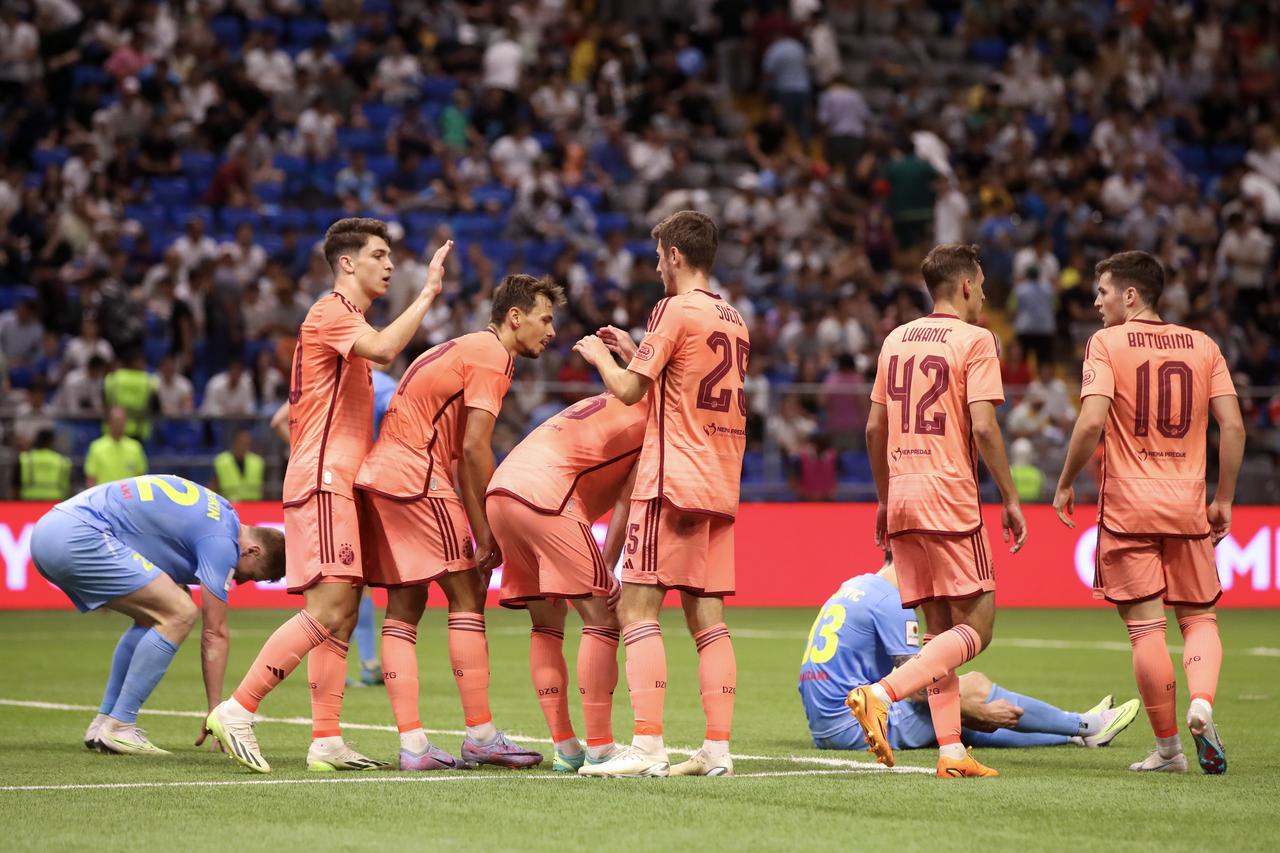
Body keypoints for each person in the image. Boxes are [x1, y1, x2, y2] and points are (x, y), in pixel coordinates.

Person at [205, 218, 449, 775]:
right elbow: (388, 349)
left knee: (343, 616)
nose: (389, 265)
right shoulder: (330, 313)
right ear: (347, 263)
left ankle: (326, 738)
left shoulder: (347, 321)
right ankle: (239, 708)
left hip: (337, 480)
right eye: (379, 255)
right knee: (331, 608)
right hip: (324, 481)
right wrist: (429, 292)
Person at [354, 274, 563, 771]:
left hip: (382, 474)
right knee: (467, 595)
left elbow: (459, 450)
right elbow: (472, 449)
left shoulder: (462, 347)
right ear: (516, 316)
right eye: (546, 319)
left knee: (404, 604)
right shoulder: (494, 356)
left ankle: (413, 746)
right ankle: (481, 735)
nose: (551, 331)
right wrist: (486, 530)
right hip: (417, 475)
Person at [1052, 251, 1244, 775]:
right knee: (1200, 617)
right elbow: (1232, 427)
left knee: (1145, 630)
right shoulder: (1204, 346)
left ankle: (1168, 752)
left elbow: (1091, 422)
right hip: (1187, 507)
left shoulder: (1107, 343)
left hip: (1128, 508)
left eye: (1103, 292)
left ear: (1130, 296)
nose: (1096, 303)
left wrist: (1066, 481)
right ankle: (1201, 702)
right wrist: (1223, 498)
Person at [573, 210, 748, 778]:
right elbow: (680, 382)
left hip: (671, 481)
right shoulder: (733, 318)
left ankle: (647, 745)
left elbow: (629, 393)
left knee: (637, 606)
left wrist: (601, 356)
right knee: (709, 619)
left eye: (657, 256)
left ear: (675, 253)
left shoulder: (672, 309)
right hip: (721, 482)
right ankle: (717, 750)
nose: (655, 266)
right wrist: (636, 348)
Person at [847, 243, 1028, 779]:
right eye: (984, 285)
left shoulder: (895, 339)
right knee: (978, 626)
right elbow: (985, 427)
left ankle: (950, 750)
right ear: (968, 285)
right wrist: (1011, 498)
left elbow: (874, 428)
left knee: (937, 630)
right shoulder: (976, 340)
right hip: (949, 493)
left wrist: (883, 497)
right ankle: (881, 693)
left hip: (901, 491)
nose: (986, 295)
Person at [29, 474, 285, 754]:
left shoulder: (223, 511)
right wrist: (216, 711)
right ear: (253, 550)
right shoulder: (222, 542)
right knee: (181, 611)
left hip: (51, 529)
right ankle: (121, 726)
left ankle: (104, 722)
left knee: (160, 611)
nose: (240, 581)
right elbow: (215, 632)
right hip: (79, 535)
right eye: (251, 575)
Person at [800, 552, 1140, 752]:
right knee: (970, 686)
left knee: (955, 706)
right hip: (857, 728)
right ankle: (1088, 725)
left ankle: (1071, 733)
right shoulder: (893, 602)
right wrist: (978, 709)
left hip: (827, 724)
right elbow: (918, 690)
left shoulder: (855, 586)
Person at [487, 392, 647, 772]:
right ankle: (601, 748)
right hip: (549, 497)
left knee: (545, 624)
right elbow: (627, 501)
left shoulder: (613, 397)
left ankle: (566, 746)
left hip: (500, 491)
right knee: (603, 618)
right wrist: (607, 566)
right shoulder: (657, 422)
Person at [268, 368, 399, 689]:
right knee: (352, 583)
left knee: (336, 583)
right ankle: (363, 663)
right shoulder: (381, 385)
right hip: (356, 482)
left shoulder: (324, 381)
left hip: (318, 482)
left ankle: (348, 668)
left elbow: (277, 421)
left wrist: (311, 454)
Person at [85, 406, 148, 486]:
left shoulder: (135, 447)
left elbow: (140, 477)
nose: (119, 424)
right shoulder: (96, 447)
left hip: (128, 496)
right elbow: (91, 479)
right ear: (109, 422)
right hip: (104, 497)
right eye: (117, 420)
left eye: (122, 420)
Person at [17, 428, 71, 500]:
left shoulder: (25, 459)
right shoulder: (63, 461)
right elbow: (68, 485)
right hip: (55, 500)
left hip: (30, 501)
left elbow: (16, 483)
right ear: (52, 441)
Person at [212, 429, 264, 502]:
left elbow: (264, 489)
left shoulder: (257, 462)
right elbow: (214, 486)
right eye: (240, 443)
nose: (243, 447)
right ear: (234, 443)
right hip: (230, 505)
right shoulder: (222, 461)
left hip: (253, 505)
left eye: (246, 444)